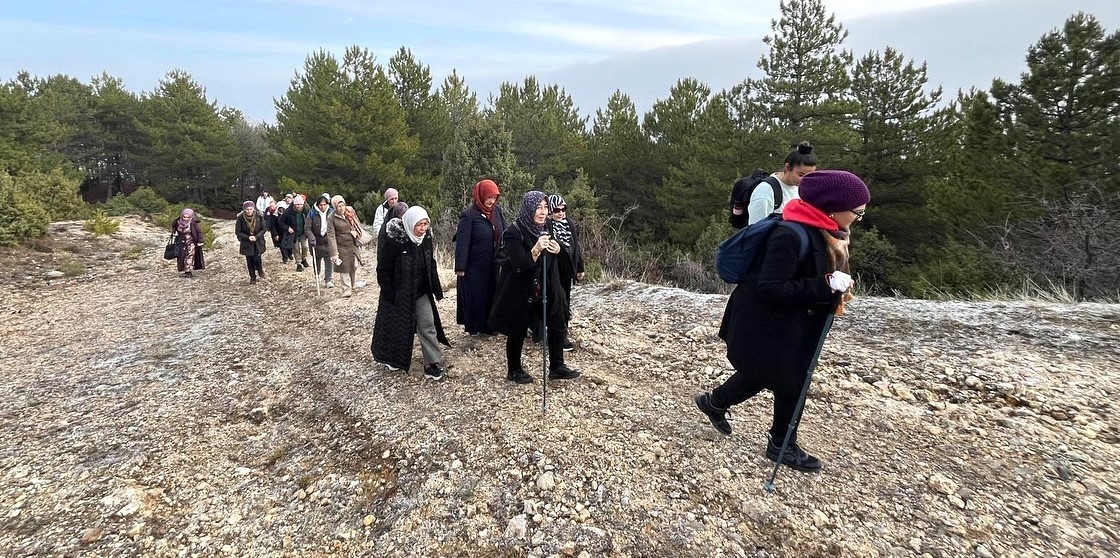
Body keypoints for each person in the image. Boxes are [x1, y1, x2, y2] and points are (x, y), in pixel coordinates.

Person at [695, 169, 870, 473]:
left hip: (787, 323)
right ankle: (781, 445)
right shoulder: (790, 235)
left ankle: (715, 403)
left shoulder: (827, 232)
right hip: (764, 322)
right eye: (858, 212)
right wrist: (824, 284)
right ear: (832, 207)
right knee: (791, 381)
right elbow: (770, 287)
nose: (859, 218)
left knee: (764, 374)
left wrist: (833, 284)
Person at [488, 191, 579, 384]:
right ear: (528, 209)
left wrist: (559, 250)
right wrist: (536, 250)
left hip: (547, 284)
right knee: (518, 328)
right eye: (538, 207)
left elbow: (561, 258)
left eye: (545, 207)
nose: (543, 212)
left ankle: (557, 366)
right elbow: (519, 265)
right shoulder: (514, 232)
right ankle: (514, 370)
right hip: (521, 288)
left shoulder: (547, 227)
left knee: (557, 319)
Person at [372, 206, 452, 380]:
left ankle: (432, 364)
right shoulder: (395, 241)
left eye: (425, 224)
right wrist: (390, 293)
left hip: (421, 291)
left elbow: (430, 263)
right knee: (397, 327)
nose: (423, 228)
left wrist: (436, 288)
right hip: (399, 294)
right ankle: (393, 359)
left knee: (427, 324)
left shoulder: (426, 239)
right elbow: (383, 269)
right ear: (410, 224)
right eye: (419, 225)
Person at [455, 179, 507, 336]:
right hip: (475, 265)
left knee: (493, 292)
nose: (491, 201)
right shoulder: (469, 216)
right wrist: (461, 266)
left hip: (494, 262)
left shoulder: (497, 212)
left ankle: (491, 325)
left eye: (494, 197)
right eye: (488, 197)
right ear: (480, 196)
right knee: (477, 295)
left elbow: (504, 232)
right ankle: (476, 326)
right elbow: (462, 242)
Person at [746, 141, 818, 226]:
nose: (805, 180)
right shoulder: (766, 191)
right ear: (788, 167)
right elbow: (756, 228)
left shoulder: (801, 189)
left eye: (809, 176)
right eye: (801, 175)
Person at [546, 194, 584, 350]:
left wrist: (579, 267)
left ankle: (561, 333)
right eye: (556, 210)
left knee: (565, 302)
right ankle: (557, 337)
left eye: (563, 209)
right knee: (555, 303)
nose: (561, 213)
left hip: (567, 270)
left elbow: (575, 246)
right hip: (552, 271)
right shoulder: (546, 225)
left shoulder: (569, 224)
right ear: (550, 211)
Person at [325, 195, 366, 298]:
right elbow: (331, 235)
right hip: (341, 246)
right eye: (339, 206)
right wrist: (334, 252)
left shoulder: (349, 212)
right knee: (344, 268)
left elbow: (357, 224)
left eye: (343, 205)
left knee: (354, 265)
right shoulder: (331, 218)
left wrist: (355, 231)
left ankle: (352, 284)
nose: (342, 208)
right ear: (335, 207)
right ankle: (346, 289)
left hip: (352, 244)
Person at [305, 195, 335, 288]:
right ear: (317, 205)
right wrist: (311, 238)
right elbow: (307, 228)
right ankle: (317, 274)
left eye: (324, 204)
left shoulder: (331, 212)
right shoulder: (312, 213)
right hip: (316, 240)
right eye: (321, 205)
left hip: (328, 239)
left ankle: (328, 279)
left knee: (329, 260)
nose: (322, 207)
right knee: (317, 259)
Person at [235, 200, 268, 285]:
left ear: (254, 209)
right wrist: (247, 237)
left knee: (257, 258)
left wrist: (256, 236)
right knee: (249, 260)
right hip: (247, 242)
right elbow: (238, 231)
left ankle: (260, 270)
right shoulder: (240, 218)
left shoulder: (259, 216)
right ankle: (252, 277)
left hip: (258, 240)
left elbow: (264, 229)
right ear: (244, 210)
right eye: (247, 209)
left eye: (251, 209)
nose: (249, 211)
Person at [172, 208, 205, 278]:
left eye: (188, 217)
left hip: (191, 241)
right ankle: (184, 269)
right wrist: (175, 232)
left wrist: (200, 241)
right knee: (182, 256)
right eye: (184, 217)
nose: (186, 219)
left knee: (190, 255)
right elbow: (174, 227)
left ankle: (188, 271)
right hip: (181, 242)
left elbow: (198, 232)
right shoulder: (177, 222)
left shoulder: (193, 223)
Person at [281, 194, 311, 271]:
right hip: (294, 232)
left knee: (305, 246)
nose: (299, 206)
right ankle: (298, 263)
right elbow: (280, 221)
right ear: (294, 204)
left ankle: (303, 259)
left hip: (303, 231)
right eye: (297, 204)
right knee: (296, 248)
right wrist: (287, 228)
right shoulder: (288, 211)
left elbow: (311, 218)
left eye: (300, 204)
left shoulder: (306, 209)